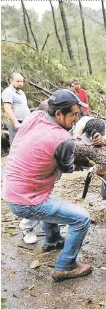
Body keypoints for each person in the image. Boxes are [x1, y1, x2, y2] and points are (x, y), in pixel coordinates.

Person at [2, 89, 93, 282]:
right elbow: (67, 168)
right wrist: (83, 163)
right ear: (59, 114)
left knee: (50, 200)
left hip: (11, 188)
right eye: (74, 114)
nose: (77, 118)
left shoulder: (35, 117)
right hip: (25, 200)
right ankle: (65, 266)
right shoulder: (63, 140)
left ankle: (52, 240)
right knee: (82, 219)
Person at [2, 73, 40, 244]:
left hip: (26, 123)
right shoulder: (8, 92)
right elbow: (8, 108)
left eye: (22, 81)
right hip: (17, 123)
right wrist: (16, 123)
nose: (21, 83)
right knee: (17, 151)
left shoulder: (21, 93)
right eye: (18, 81)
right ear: (11, 80)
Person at [73, 116, 106, 216]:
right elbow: (77, 130)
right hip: (93, 162)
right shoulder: (84, 122)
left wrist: (103, 141)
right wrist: (76, 135)